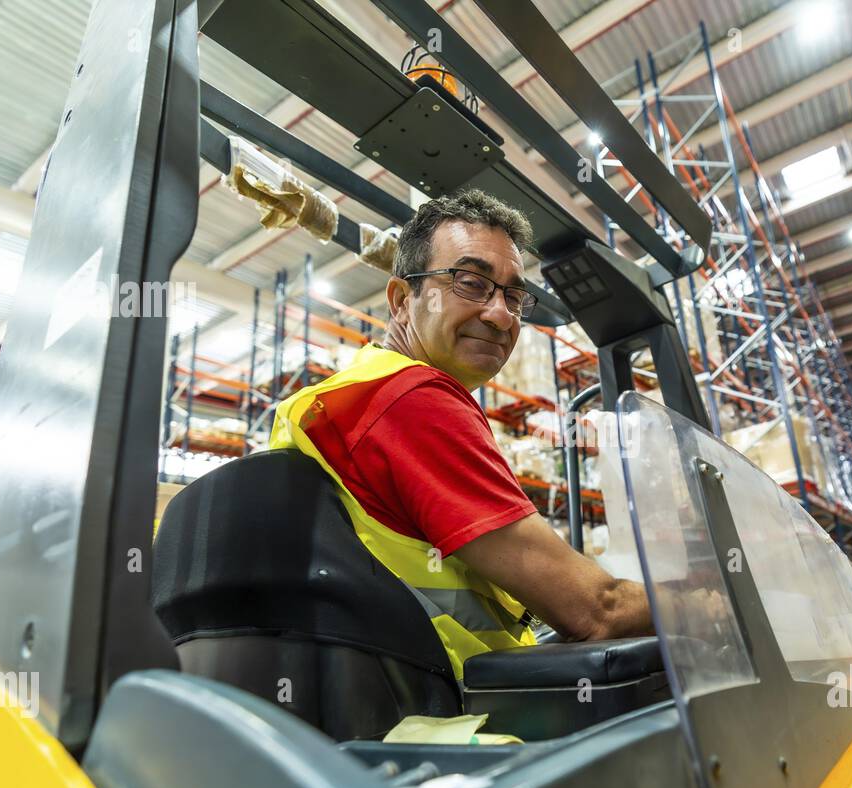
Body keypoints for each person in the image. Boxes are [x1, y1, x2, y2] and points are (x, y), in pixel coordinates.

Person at [270, 188, 652, 681]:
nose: (501, 315)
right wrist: (705, 603)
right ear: (401, 301)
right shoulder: (410, 399)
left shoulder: (350, 395)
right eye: (470, 283)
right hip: (446, 725)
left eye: (514, 296)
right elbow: (596, 611)